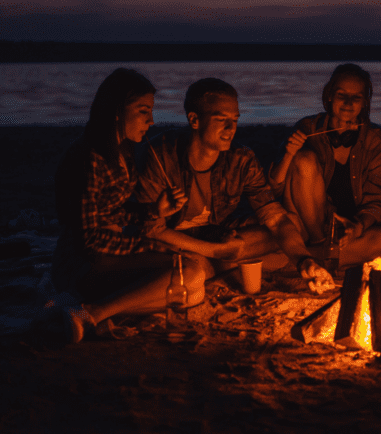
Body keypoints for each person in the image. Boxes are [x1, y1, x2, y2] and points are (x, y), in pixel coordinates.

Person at [53, 68, 241, 343]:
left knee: (193, 290)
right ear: (117, 110)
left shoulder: (122, 153)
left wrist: (153, 211)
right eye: (143, 111)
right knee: (188, 275)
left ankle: (100, 309)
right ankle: (92, 312)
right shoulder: (90, 159)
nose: (151, 121)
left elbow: (112, 211)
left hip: (108, 255)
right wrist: (147, 244)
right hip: (80, 264)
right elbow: (90, 240)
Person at [137, 78, 334, 294]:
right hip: (173, 242)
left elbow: (276, 219)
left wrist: (304, 261)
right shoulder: (161, 155)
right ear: (194, 120)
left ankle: (218, 262)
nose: (231, 128)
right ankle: (216, 262)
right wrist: (216, 250)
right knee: (190, 262)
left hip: (214, 235)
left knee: (291, 224)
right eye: (221, 119)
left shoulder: (241, 159)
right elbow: (151, 229)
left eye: (235, 119)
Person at [268, 63, 381, 271]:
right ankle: (320, 249)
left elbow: (379, 200)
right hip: (308, 229)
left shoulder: (376, 142)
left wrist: (358, 226)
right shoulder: (308, 129)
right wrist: (289, 155)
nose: (348, 103)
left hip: (348, 232)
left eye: (356, 97)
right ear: (329, 96)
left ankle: (301, 259)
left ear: (365, 102)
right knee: (304, 159)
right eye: (341, 95)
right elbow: (273, 189)